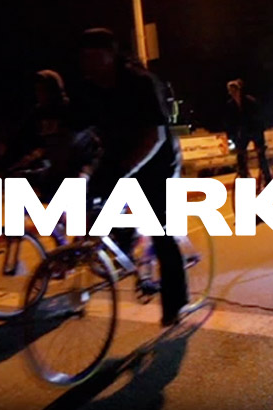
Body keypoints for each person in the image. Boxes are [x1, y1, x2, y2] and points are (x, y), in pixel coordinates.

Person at [72, 28, 188, 326]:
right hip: (119, 154)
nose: (87, 63)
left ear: (111, 55)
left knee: (160, 230)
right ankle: (123, 242)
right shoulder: (91, 89)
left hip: (157, 159)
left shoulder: (140, 83)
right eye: (83, 57)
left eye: (94, 56)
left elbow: (155, 136)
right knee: (91, 200)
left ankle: (175, 302)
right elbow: (79, 131)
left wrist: (125, 173)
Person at [10, 70, 101, 202]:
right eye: (38, 90)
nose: (39, 94)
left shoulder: (74, 111)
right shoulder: (39, 113)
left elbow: (89, 146)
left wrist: (85, 172)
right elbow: (25, 140)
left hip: (80, 166)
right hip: (56, 167)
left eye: (43, 90)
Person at [225, 79, 273, 186]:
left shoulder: (250, 101)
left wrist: (260, 137)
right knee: (240, 155)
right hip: (243, 133)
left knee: (261, 155)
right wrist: (233, 137)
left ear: (239, 90)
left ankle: (267, 178)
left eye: (234, 90)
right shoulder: (230, 105)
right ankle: (244, 177)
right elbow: (230, 123)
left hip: (255, 130)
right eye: (231, 91)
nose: (232, 92)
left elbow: (259, 118)